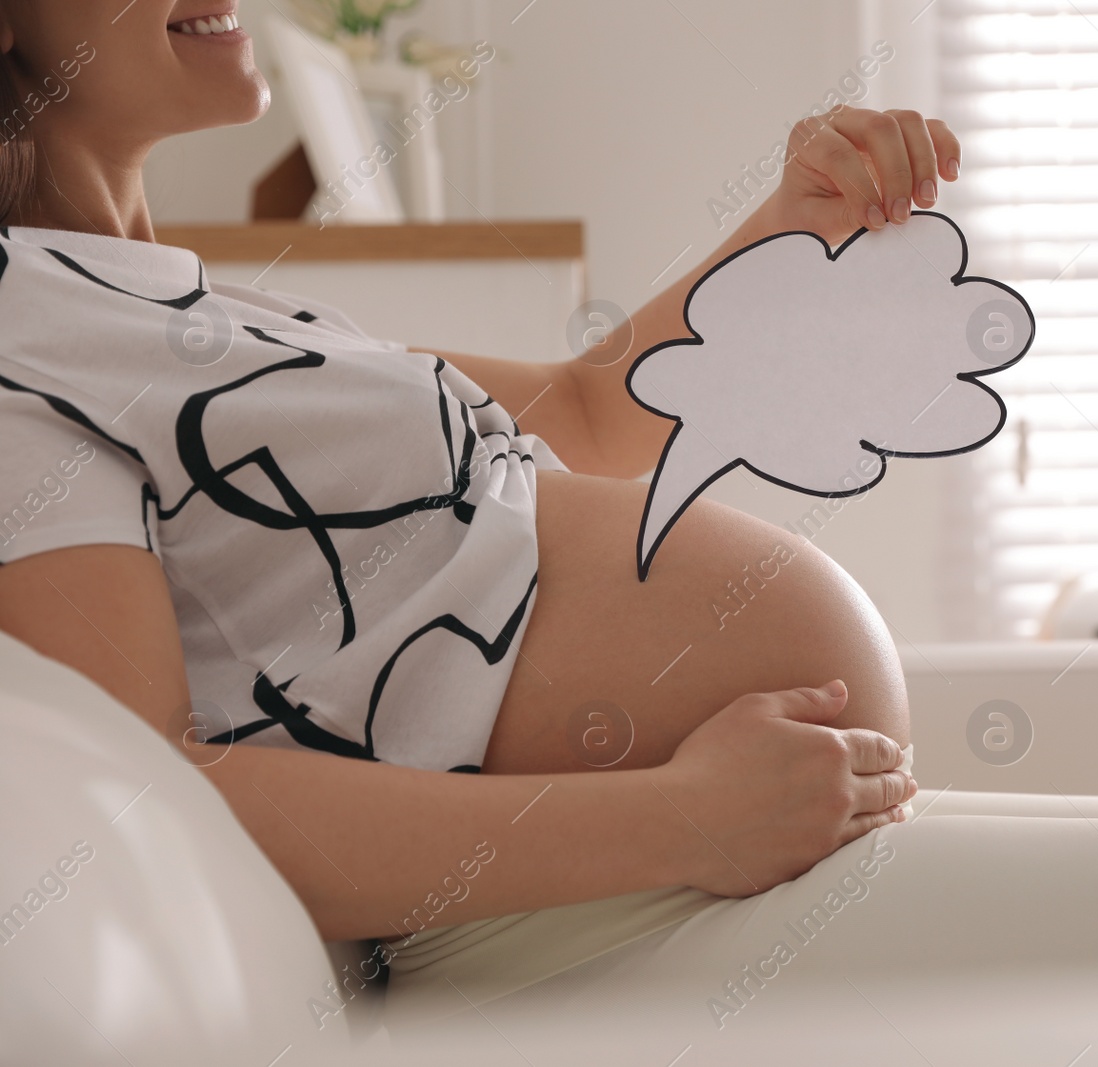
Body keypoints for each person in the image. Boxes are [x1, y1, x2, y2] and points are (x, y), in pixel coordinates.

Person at [0, 1, 956, 943]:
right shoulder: (23, 331)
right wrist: (685, 818)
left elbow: (587, 411)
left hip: (752, 851)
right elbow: (145, 793)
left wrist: (797, 223)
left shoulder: (163, 307)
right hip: (630, 890)